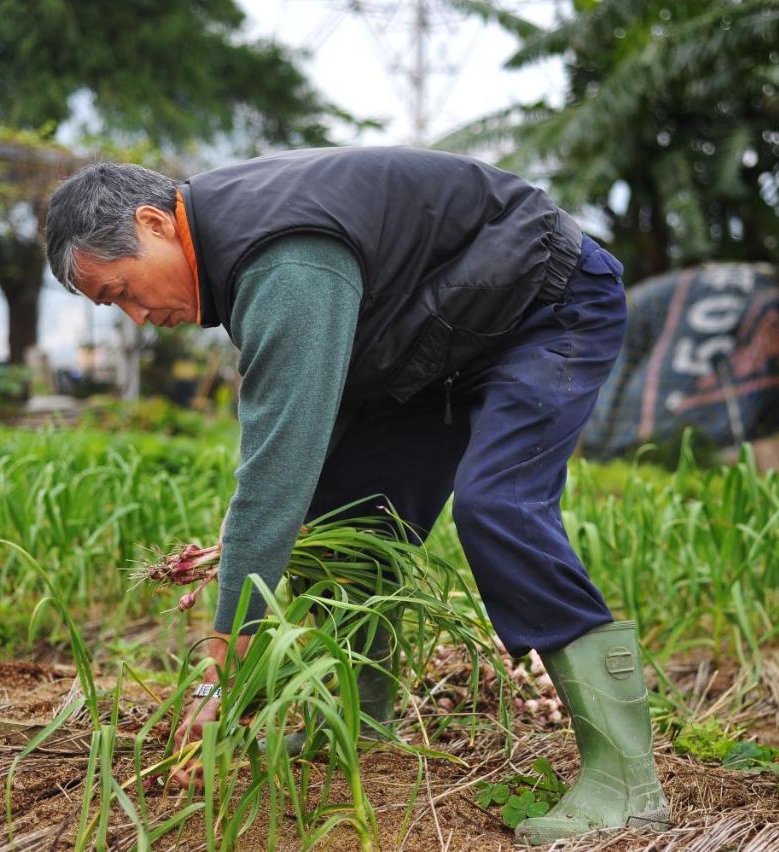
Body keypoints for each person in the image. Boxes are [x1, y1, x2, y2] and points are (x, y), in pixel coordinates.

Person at [44, 147, 670, 845]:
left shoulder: (282, 260)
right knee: (348, 521)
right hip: (434, 350)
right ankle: (355, 725)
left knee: (499, 506)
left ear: (155, 223)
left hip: (545, 307)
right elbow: (300, 442)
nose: (135, 315)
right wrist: (257, 534)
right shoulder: (240, 251)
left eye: (122, 290)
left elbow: (278, 460)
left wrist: (227, 661)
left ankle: (625, 781)